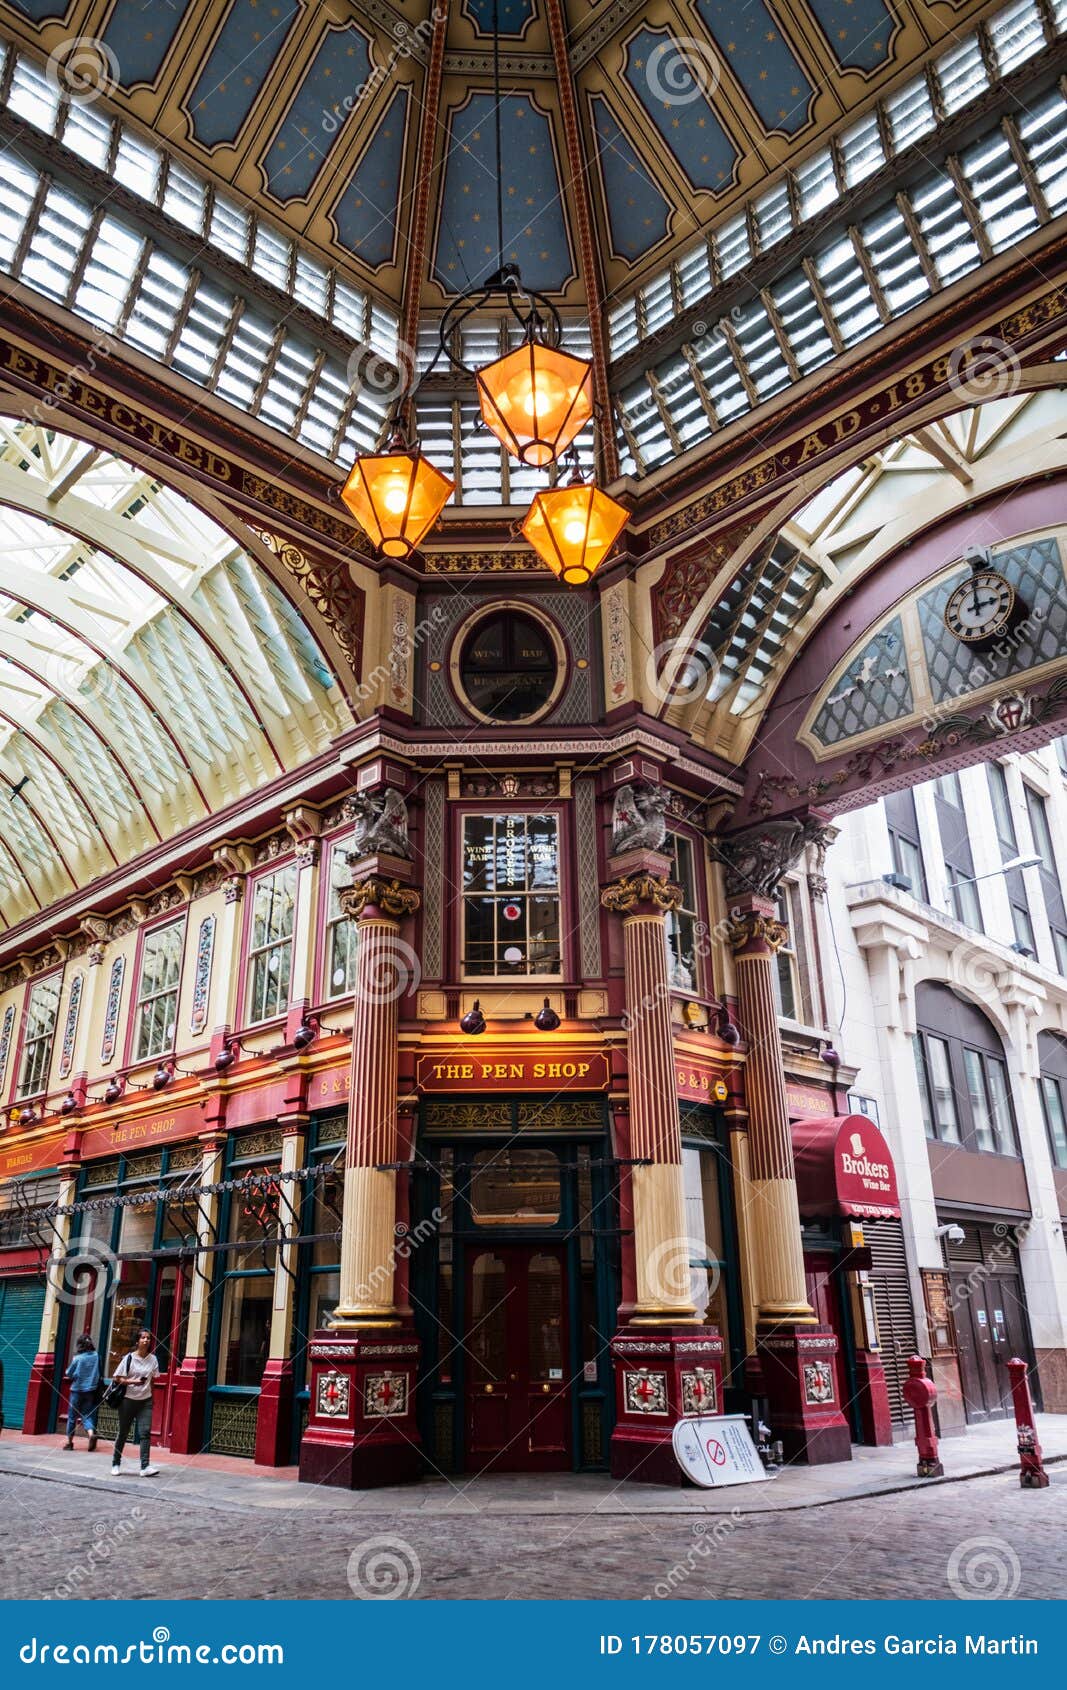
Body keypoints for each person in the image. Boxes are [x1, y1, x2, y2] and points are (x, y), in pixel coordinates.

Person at [109, 1329, 161, 1477]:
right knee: (123, 1433)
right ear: (137, 1341)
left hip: (145, 1401)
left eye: (148, 1338)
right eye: (143, 1338)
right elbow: (117, 1378)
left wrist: (152, 1397)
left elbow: (154, 1381)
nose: (146, 1340)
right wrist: (134, 1382)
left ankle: (145, 1467)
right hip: (128, 1401)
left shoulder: (153, 1359)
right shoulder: (129, 1359)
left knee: (145, 1433)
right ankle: (116, 1463)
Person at [63, 1334, 100, 1451]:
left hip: (77, 1390)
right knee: (87, 1415)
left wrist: (74, 1375)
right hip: (90, 1390)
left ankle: (69, 1442)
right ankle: (90, 1434)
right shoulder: (96, 1356)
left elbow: (68, 1373)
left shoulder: (78, 1358)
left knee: (72, 1417)